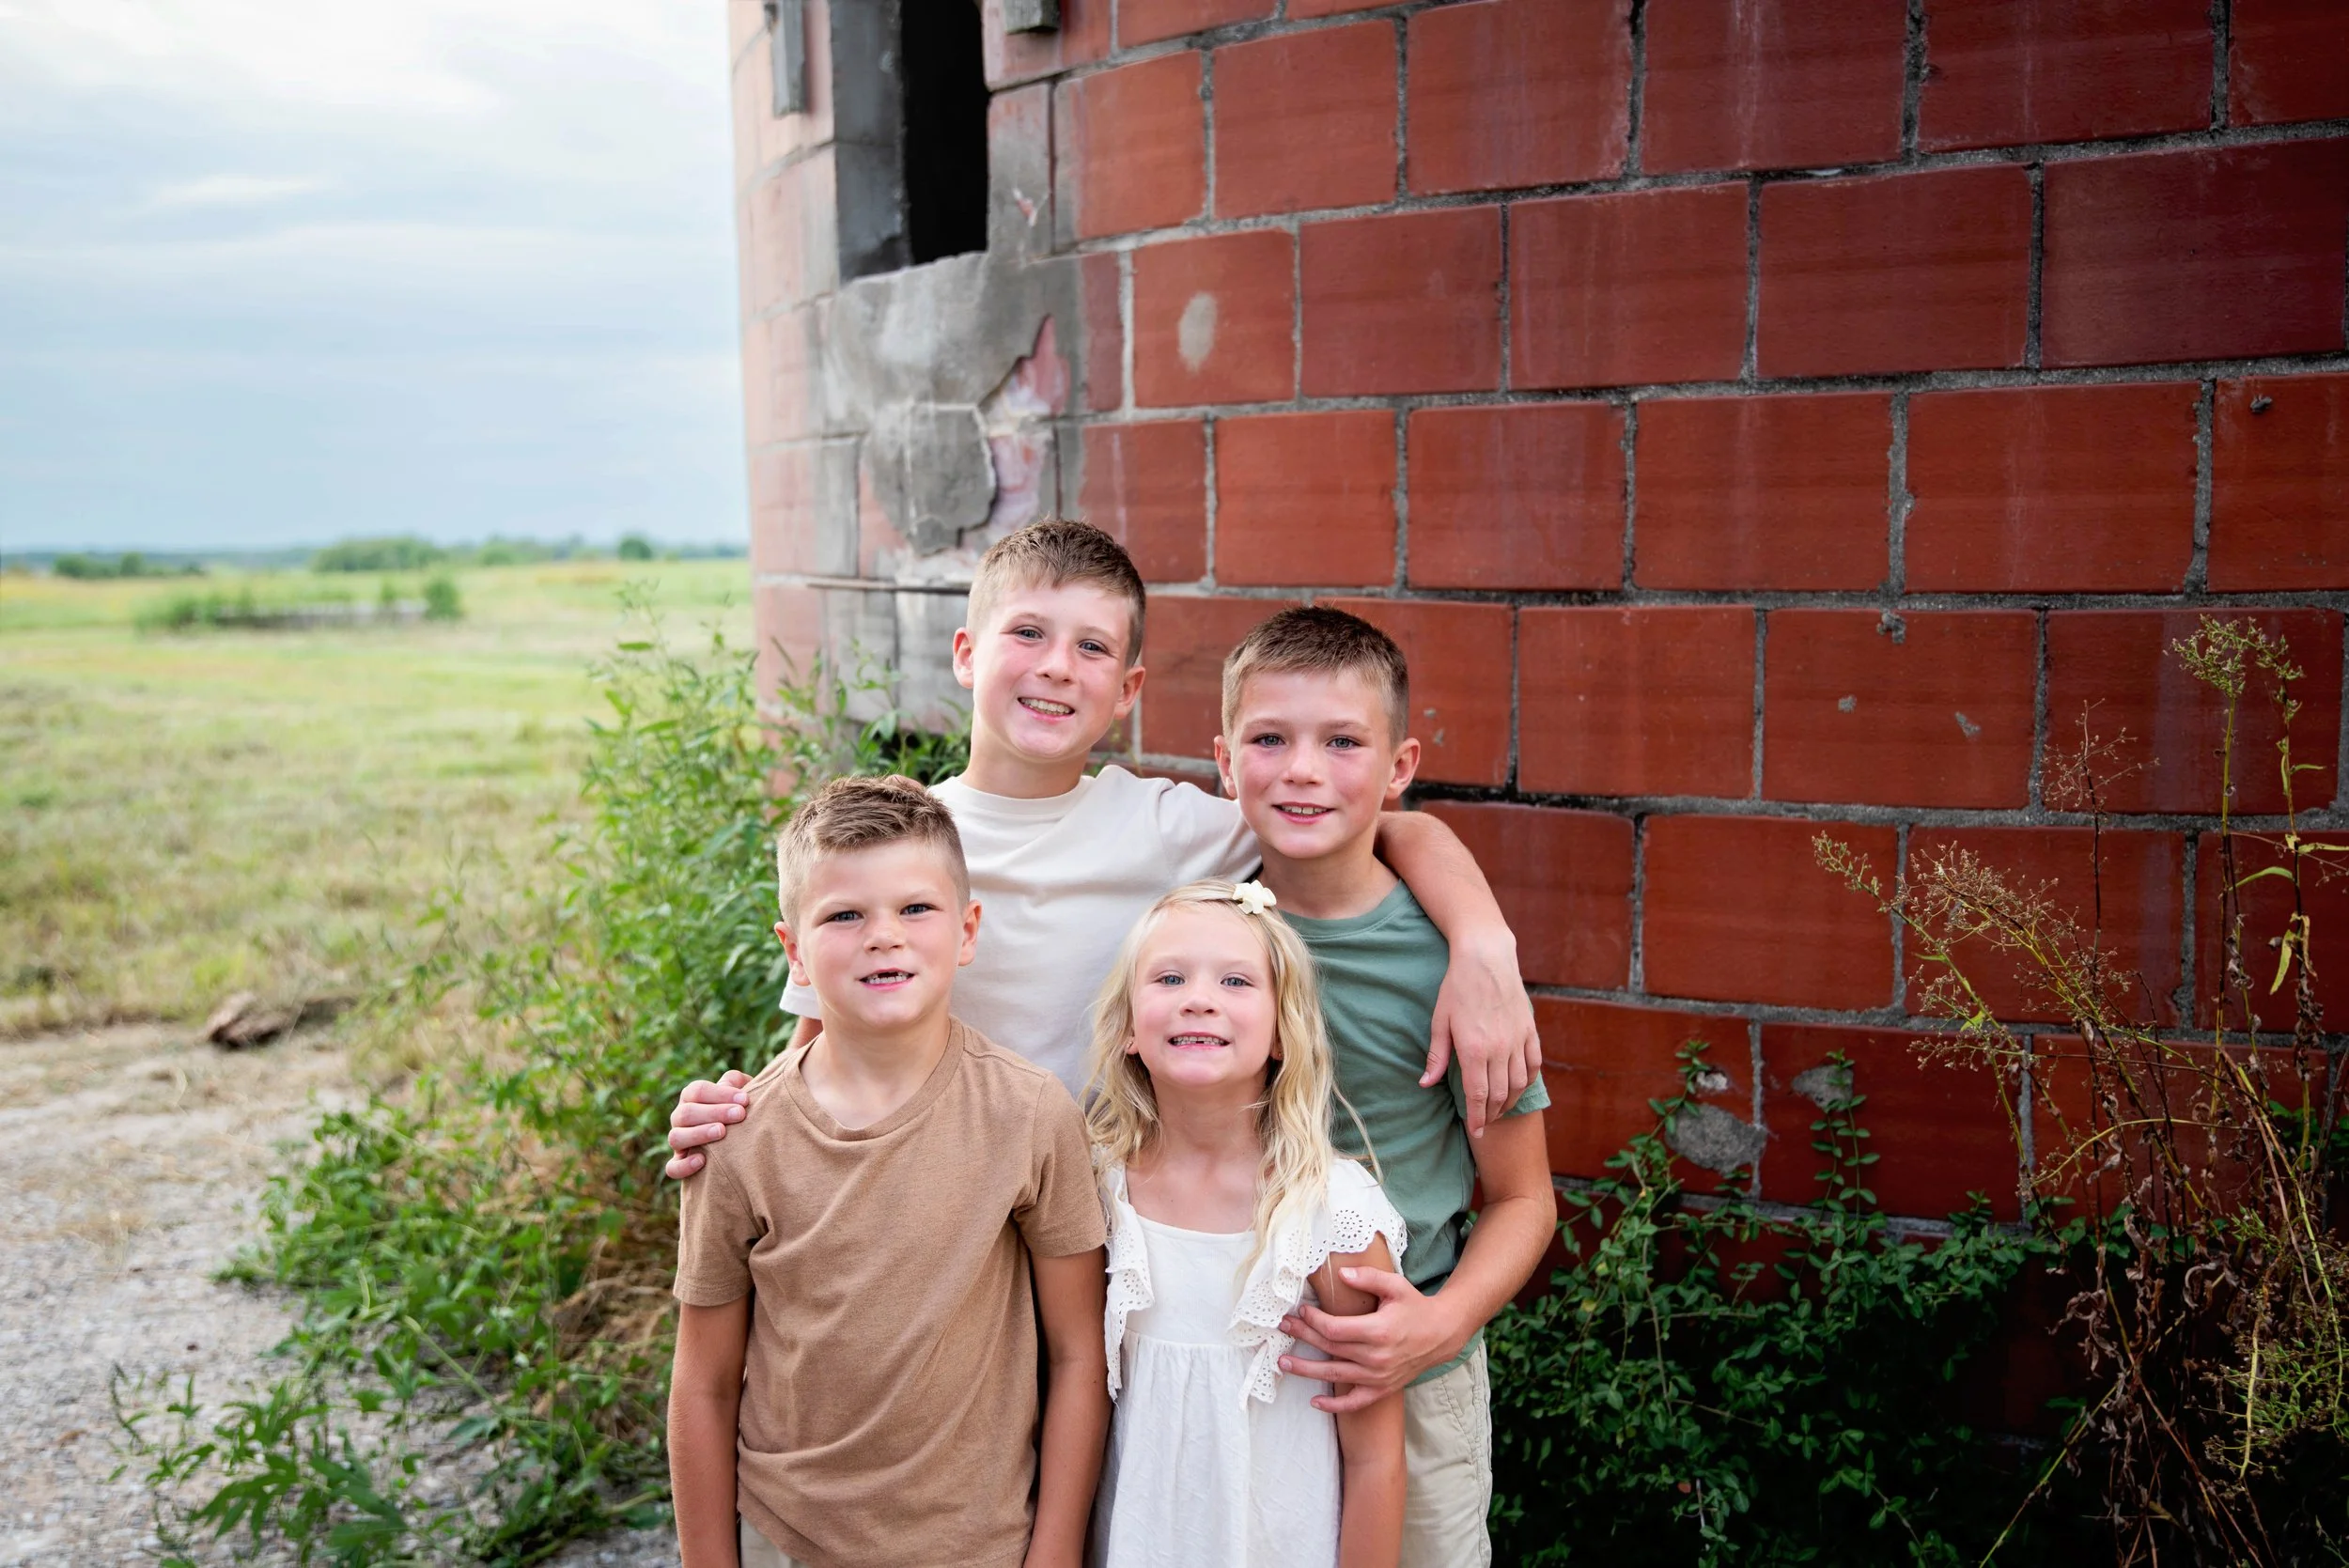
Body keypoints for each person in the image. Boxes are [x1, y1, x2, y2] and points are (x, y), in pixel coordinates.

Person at [664, 520, 1541, 1168]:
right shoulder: (895, 839)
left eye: (1091, 648)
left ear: (1127, 690)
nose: (1055, 667)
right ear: (967, 653)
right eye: (1028, 634)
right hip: (931, 1190)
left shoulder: (1166, 826)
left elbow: (1381, 821)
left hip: (1102, 1212)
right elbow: (817, 1043)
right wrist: (736, 1112)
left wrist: (1481, 942)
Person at [667, 775, 1108, 1568]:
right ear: (794, 950)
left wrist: (1055, 1552)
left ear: (968, 929)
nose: (884, 935)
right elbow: (703, 1381)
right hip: (788, 1536)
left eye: (915, 908)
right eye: (844, 914)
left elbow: (1078, 1354)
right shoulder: (736, 1138)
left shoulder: (1030, 1113)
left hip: (979, 1541)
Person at [1216, 607, 1557, 1568]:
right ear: (1223, 756)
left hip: (1407, 1368)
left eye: (1342, 741)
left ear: (1399, 765)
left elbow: (1526, 1198)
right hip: (1237, 1364)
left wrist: (1439, 1324)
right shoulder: (1206, 928)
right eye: (1269, 738)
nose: (1302, 769)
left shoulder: (1451, 966)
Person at [1087, 879, 1407, 1568]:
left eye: (1236, 980)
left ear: (1283, 1033)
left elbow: (1377, 1456)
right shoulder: (1099, 1187)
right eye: (1170, 976)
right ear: (1127, 1029)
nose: (1199, 997)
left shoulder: (1327, 1212)